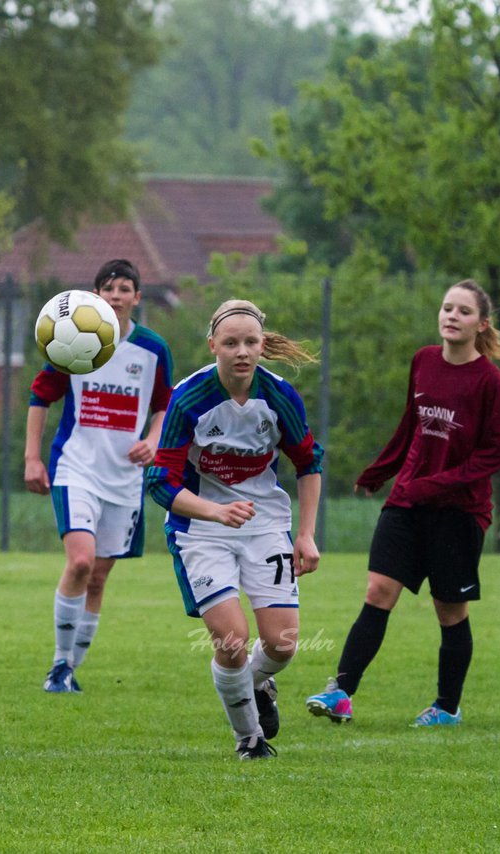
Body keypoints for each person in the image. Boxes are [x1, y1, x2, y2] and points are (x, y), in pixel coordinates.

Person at [306, 280, 500, 728]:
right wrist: (382, 469)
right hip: (407, 502)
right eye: (446, 308)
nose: (451, 316)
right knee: (378, 592)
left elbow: (491, 456)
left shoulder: (491, 382)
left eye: (463, 311)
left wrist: (436, 485)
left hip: (460, 512)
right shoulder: (422, 361)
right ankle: (341, 691)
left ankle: (447, 708)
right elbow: (411, 425)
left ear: (481, 324)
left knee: (449, 609)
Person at [146, 299, 323, 760]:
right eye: (231, 343)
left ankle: (257, 684)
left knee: (282, 644)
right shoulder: (189, 398)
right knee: (231, 640)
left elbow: (309, 462)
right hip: (199, 528)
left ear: (262, 345)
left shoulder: (280, 395)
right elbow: (160, 483)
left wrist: (305, 534)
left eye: (250, 342)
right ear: (213, 346)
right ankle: (250, 740)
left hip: (265, 524)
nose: (241, 351)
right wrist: (214, 511)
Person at [24, 259, 173, 693]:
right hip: (77, 467)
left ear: (137, 298)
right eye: (108, 287)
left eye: (125, 288)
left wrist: (154, 438)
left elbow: (165, 402)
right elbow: (40, 395)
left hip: (125, 477)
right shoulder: (74, 339)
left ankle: (71, 669)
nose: (116, 295)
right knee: (81, 561)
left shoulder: (153, 349)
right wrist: (33, 458)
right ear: (95, 295)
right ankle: (58, 665)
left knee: (101, 575)